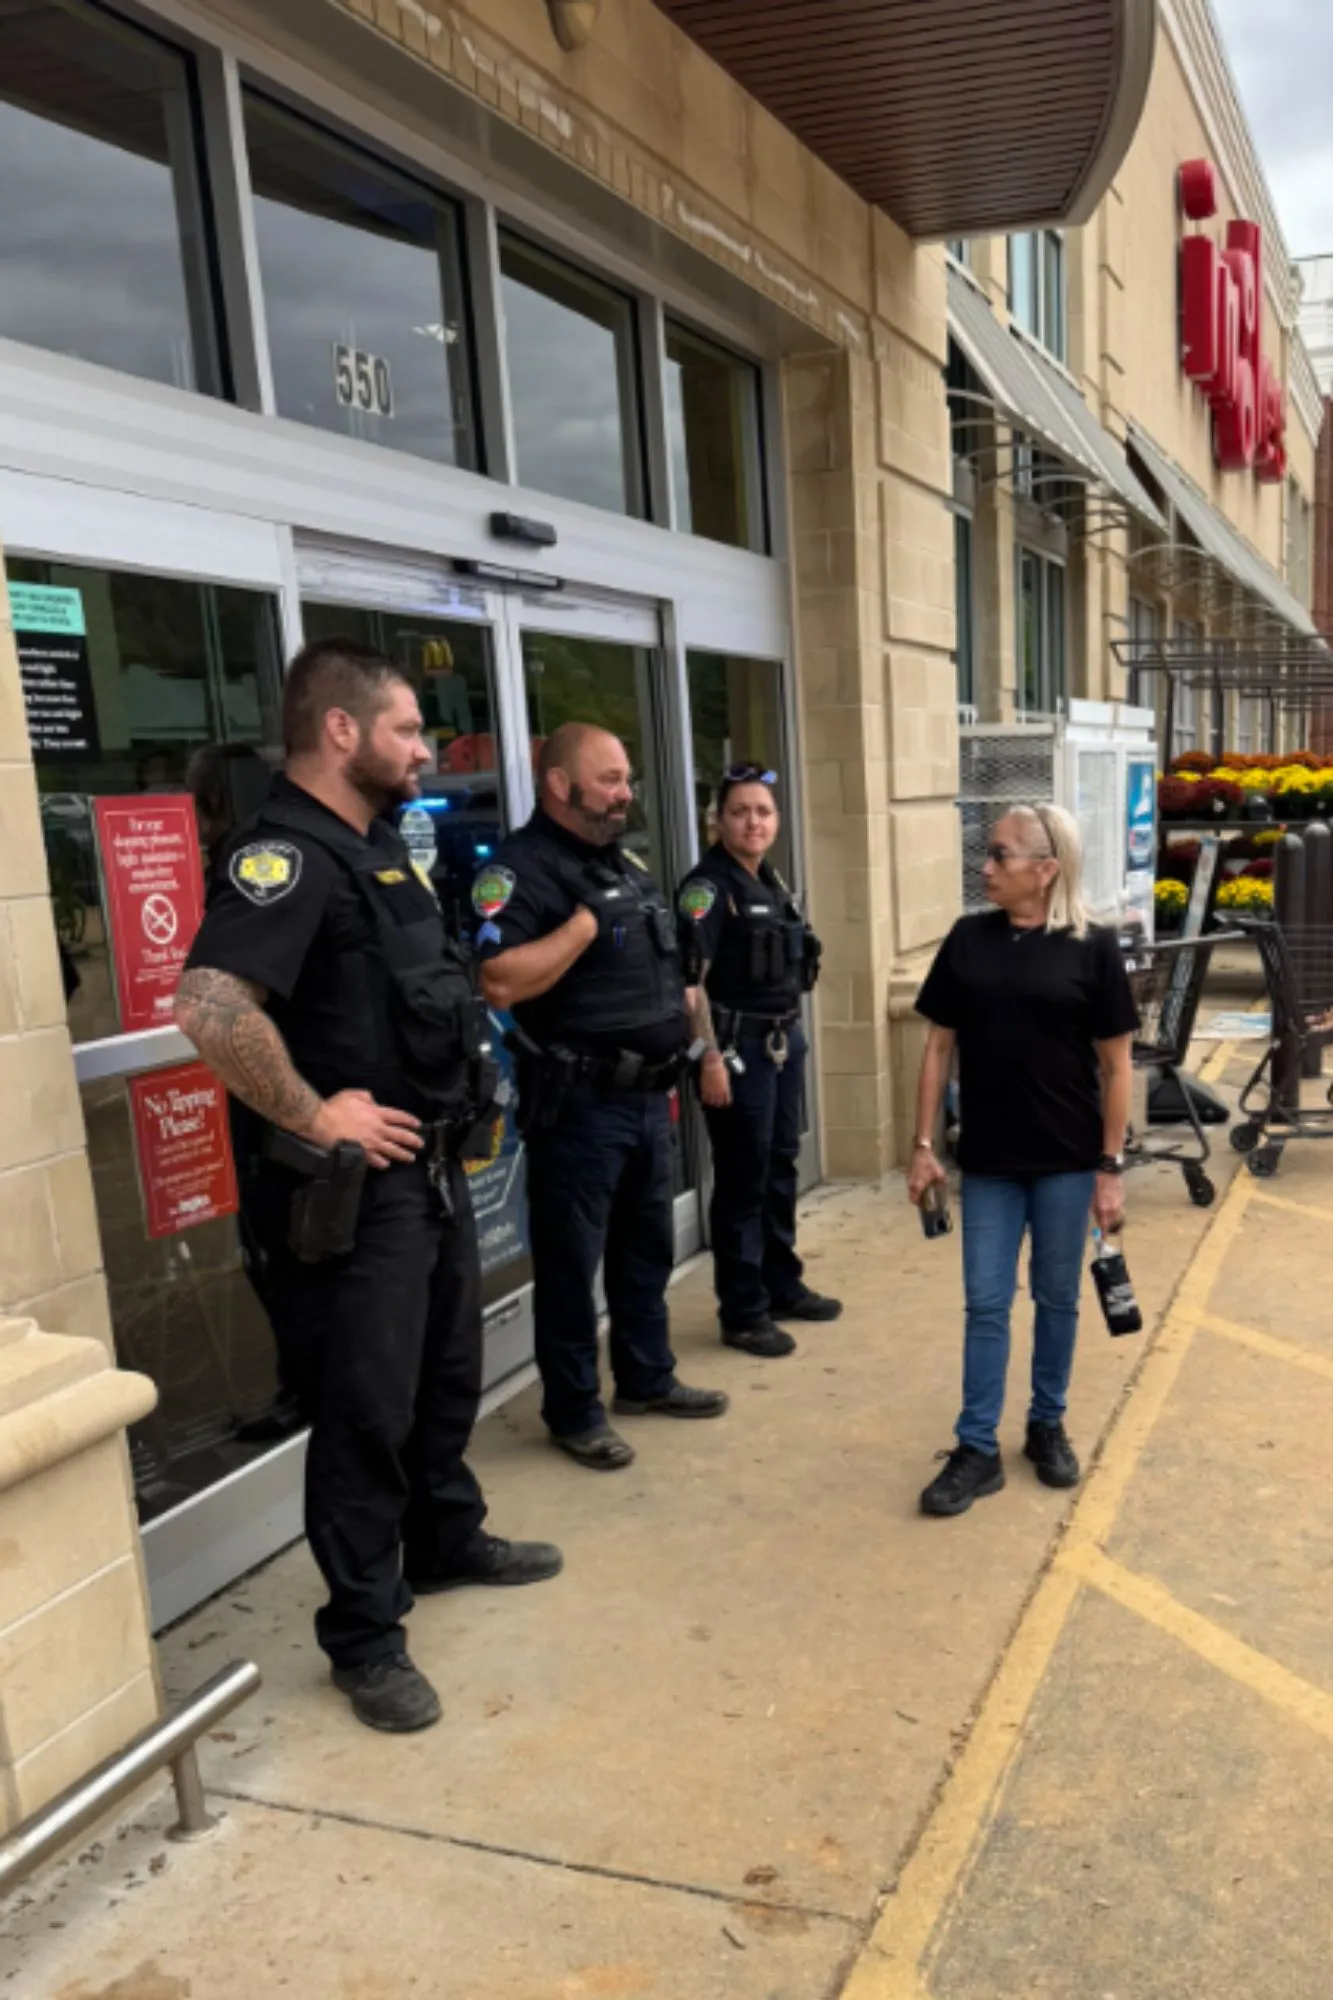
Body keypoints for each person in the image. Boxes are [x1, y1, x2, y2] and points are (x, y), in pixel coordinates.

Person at [174, 638, 561, 1735]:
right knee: (365, 1409)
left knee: (446, 1376)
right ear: (338, 730)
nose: (423, 746)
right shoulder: (283, 855)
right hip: (352, 1191)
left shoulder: (377, 843)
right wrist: (312, 1110)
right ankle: (364, 1633)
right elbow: (208, 1004)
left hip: (427, 1172)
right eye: (404, 728)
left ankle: (443, 1539)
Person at [475, 723, 730, 1471]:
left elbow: (678, 977)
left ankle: (645, 1379)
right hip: (580, 1105)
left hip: (649, 1099)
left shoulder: (627, 864)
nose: (625, 793)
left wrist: (704, 1049)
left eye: (626, 779)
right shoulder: (521, 871)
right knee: (569, 1265)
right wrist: (585, 926)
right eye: (611, 779)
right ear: (560, 784)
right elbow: (498, 980)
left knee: (644, 1252)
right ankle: (573, 1410)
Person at [908, 802, 1137, 1518]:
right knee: (984, 1303)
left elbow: (1117, 1066)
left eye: (999, 855)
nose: (985, 866)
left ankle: (1045, 1424)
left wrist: (1109, 1167)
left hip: (1068, 1162)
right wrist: (921, 1148)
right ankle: (976, 1449)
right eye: (987, 853)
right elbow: (938, 1046)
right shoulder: (967, 940)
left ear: (1044, 870)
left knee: (1057, 1299)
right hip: (989, 1162)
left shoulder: (1091, 948)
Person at [676, 765, 840, 1358]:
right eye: (740, 811)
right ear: (718, 821)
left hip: (780, 1042)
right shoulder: (708, 887)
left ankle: (781, 1285)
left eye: (763, 811)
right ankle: (742, 1312)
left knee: (780, 1167)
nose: (753, 821)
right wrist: (709, 1058)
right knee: (743, 1178)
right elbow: (690, 985)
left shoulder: (769, 881)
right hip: (737, 1050)